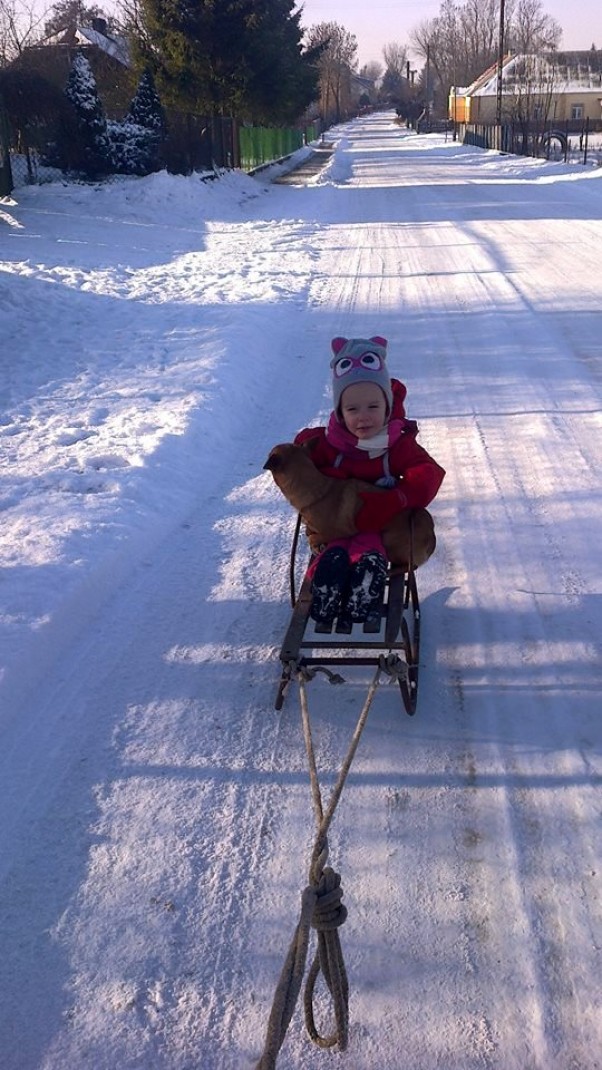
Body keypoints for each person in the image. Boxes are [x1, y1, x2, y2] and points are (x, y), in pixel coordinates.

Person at [294, 336, 445, 625]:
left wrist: (398, 498)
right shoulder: (328, 443)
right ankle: (327, 581)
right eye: (352, 410)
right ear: (340, 412)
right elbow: (301, 465)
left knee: (370, 544)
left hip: (376, 519)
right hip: (335, 524)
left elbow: (427, 472)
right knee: (333, 546)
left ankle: (365, 584)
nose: (363, 418)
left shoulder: (395, 443)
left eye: (373, 407)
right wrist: (298, 452)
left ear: (387, 406)